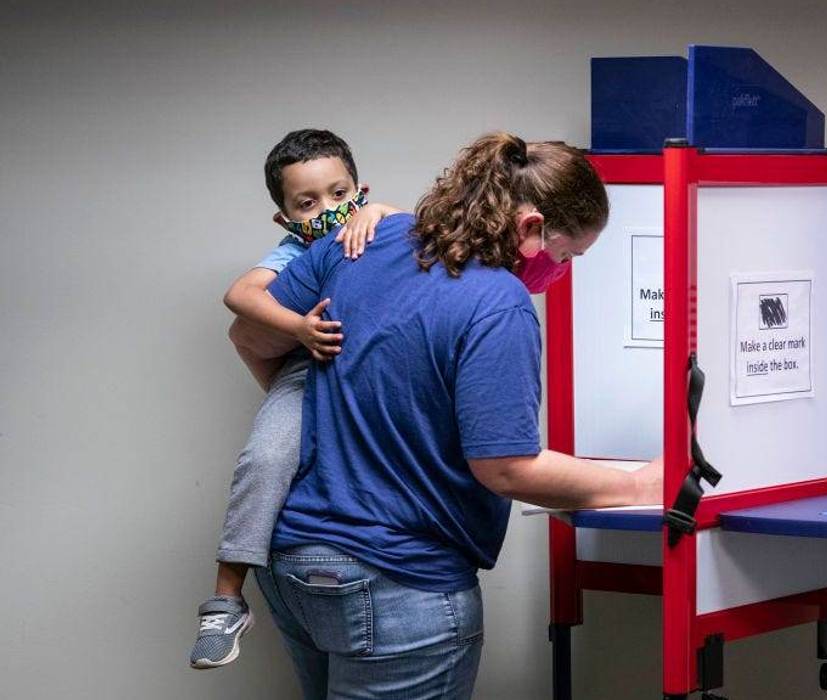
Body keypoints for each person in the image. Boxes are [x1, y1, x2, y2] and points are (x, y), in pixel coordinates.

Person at [228, 132, 662, 698]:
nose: (562, 271)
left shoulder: (362, 239)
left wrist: (327, 416)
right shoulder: (498, 302)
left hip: (296, 563)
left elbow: (250, 335)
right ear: (529, 228)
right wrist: (636, 486)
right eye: (565, 255)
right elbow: (506, 468)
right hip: (396, 581)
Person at [189, 129, 404, 669]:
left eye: (339, 194)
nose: (329, 210)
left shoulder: (380, 223)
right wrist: (300, 329)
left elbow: (410, 227)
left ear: (360, 190)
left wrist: (377, 210)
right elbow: (238, 297)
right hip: (307, 370)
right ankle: (226, 599)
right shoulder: (290, 251)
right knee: (264, 459)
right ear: (286, 219)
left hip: (373, 375)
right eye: (307, 203)